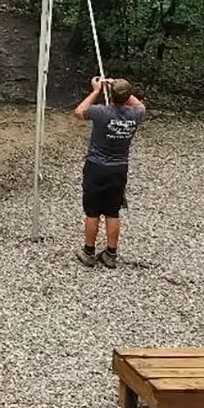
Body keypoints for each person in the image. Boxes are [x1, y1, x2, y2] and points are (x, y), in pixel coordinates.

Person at [74, 76, 145, 268]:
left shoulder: (101, 112)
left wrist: (97, 90)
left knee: (93, 212)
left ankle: (89, 252)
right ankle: (111, 254)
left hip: (97, 167)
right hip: (119, 169)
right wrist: (119, 88)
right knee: (113, 212)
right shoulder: (137, 113)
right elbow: (135, 102)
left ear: (110, 95)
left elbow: (79, 112)